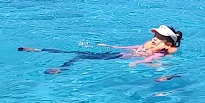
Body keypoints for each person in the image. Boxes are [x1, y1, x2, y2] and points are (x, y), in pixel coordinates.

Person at [19, 24, 182, 74]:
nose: (154, 38)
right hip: (115, 53)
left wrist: (138, 62)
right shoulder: (151, 44)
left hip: (117, 57)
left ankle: (62, 68)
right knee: (78, 53)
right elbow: (132, 47)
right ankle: (40, 50)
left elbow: (152, 58)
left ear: (167, 42)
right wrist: (112, 46)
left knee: (81, 57)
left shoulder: (161, 51)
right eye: (155, 35)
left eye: (159, 37)